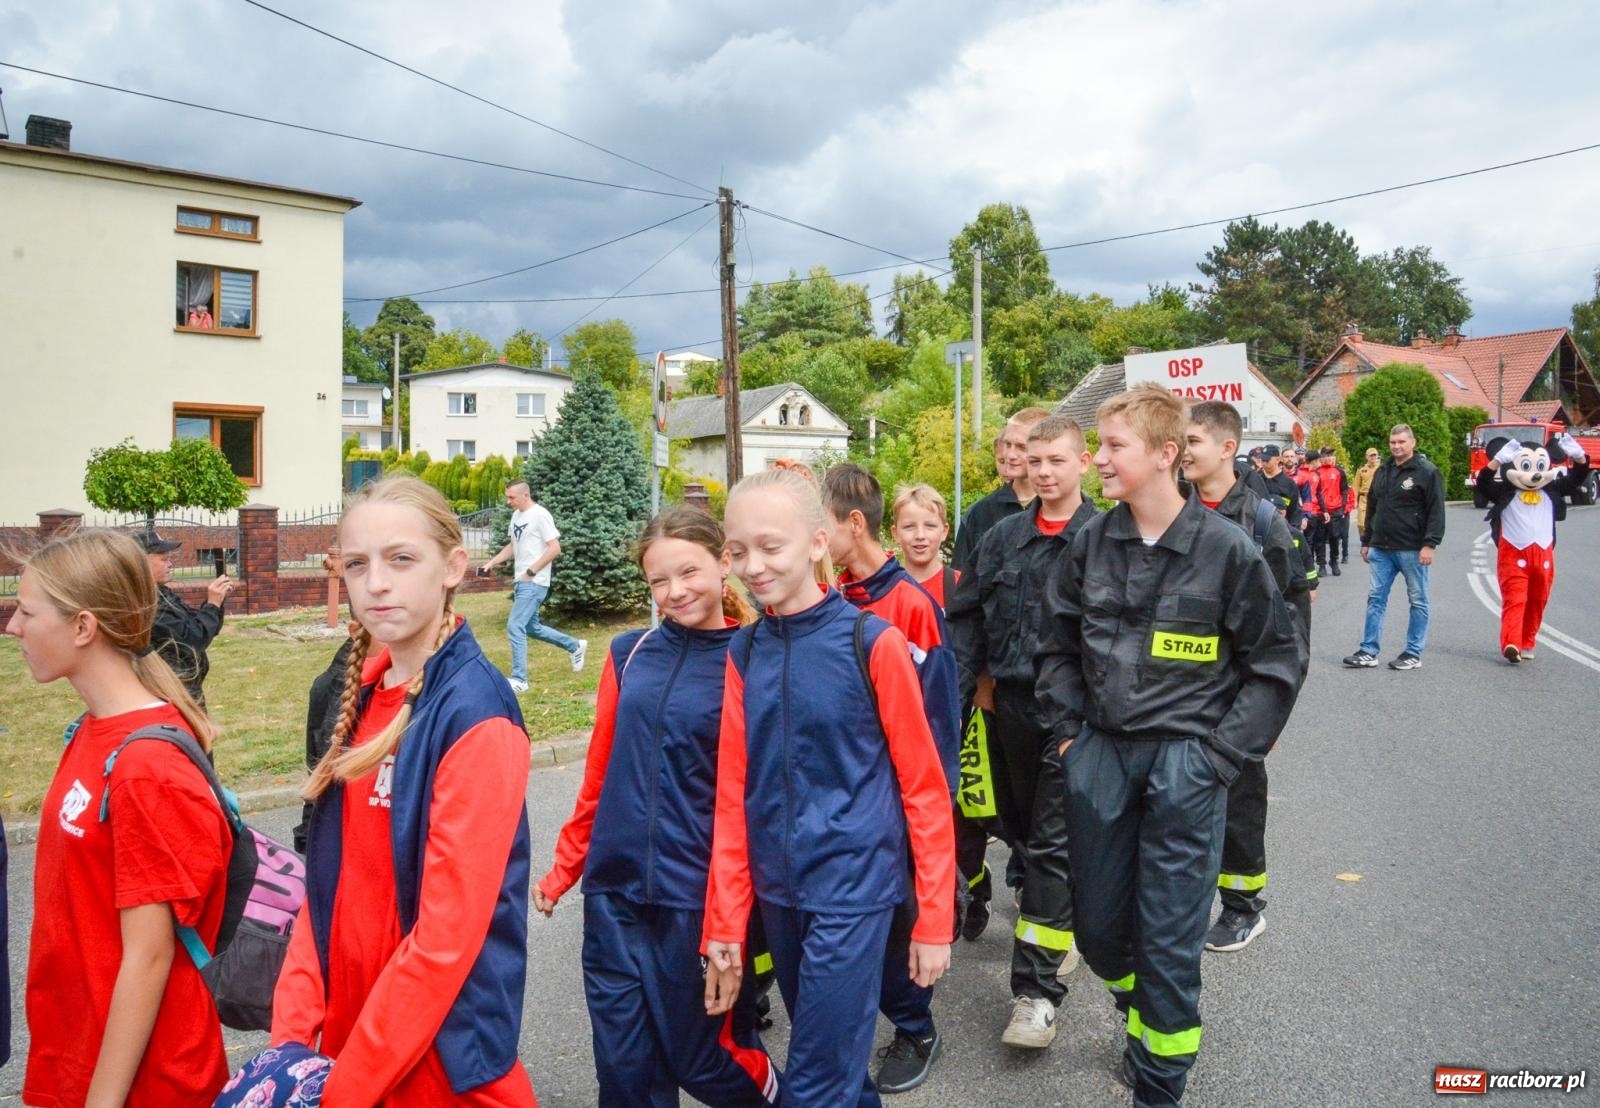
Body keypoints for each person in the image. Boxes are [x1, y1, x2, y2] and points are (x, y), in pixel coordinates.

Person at [1035, 384, 1301, 1106]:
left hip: (1185, 771)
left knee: (1169, 946)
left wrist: (1215, 760)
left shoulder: (1227, 551)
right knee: (1098, 935)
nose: (1099, 459)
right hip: (1101, 765)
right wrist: (1070, 741)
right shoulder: (1092, 542)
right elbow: (1054, 648)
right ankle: (1138, 1015)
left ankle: (1159, 1083)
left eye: (1113, 445)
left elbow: (1275, 666)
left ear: (1163, 455)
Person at [272, 474, 538, 1104]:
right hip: (346, 1044)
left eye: (401, 559)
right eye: (358, 564)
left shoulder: (475, 713)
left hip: (435, 1063)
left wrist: (351, 1084)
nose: (376, 583)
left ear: (453, 567)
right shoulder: (355, 695)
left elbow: (446, 939)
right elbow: (325, 885)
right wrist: (291, 1035)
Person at [703, 466, 955, 1108]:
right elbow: (734, 795)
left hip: (855, 892)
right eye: (737, 551)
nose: (752, 566)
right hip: (781, 896)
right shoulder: (745, 650)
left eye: (770, 546)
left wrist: (933, 917)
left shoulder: (873, 641)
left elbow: (925, 789)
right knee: (840, 1074)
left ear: (819, 542)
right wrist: (727, 921)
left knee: (812, 1084)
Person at [536, 507, 777, 1106]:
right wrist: (567, 868)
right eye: (658, 582)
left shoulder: (756, 658)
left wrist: (727, 923)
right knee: (626, 1070)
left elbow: (750, 806)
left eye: (688, 572)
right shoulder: (628, 653)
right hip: (613, 898)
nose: (674, 593)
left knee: (705, 1061)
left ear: (724, 564)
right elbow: (599, 775)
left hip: (693, 901)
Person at [8, 528, 232, 1105]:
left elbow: (150, 956)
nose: (13, 627)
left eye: (27, 612)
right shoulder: (92, 730)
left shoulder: (145, 766)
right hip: (82, 1052)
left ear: (83, 627)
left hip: (142, 1082)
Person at [948, 414, 1097, 1051]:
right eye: (1035, 462)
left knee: (1054, 848)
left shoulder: (1107, 538)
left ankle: (1035, 995)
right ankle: (1061, 927)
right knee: (1024, 840)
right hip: (1006, 710)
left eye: (1057, 461)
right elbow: (966, 623)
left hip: (1077, 721)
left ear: (1082, 464)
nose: (1044, 472)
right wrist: (953, 706)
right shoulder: (1004, 536)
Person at [823, 464, 962, 1094]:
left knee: (899, 923)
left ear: (854, 524)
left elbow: (938, 719)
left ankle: (915, 1026)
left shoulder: (909, 604)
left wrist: (929, 813)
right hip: (839, 799)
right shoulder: (828, 596)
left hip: (898, 804)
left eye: (817, 527)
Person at [1181, 402, 1311, 955]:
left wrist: (1274, 709)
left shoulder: (1262, 521)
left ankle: (1242, 908)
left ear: (1226, 448)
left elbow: (1292, 623)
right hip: (1181, 689)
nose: (1183, 451)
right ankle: (1183, 903)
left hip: (1241, 694)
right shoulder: (1169, 510)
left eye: (1193, 441)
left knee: (1240, 802)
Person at [1343, 424, 1446, 671]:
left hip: (1412, 549)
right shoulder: (1383, 471)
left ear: (1412, 442)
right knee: (1375, 599)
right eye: (1393, 442)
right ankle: (1368, 651)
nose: (1396, 446)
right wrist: (1367, 541)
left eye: (1401, 442)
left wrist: (1429, 544)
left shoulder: (1427, 472)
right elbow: (1373, 508)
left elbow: (1436, 511)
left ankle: (1413, 652)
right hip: (1381, 548)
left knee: (1418, 601)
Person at [480, 478, 587, 691]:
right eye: (507, 497)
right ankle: (574, 645)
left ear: (525, 495)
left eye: (512, 497)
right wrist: (492, 562)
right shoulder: (516, 516)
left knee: (515, 625)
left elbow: (555, 548)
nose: (508, 501)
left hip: (534, 581)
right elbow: (513, 545)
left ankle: (520, 680)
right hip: (522, 581)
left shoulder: (540, 515)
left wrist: (532, 570)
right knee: (532, 627)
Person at [950, 408, 1051, 574]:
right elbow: (961, 583)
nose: (1010, 455)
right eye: (1008, 444)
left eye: (1021, 447)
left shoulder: (1065, 512)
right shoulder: (980, 514)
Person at [139, 530, 231, 708]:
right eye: (164, 560)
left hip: (186, 690)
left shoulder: (162, 593)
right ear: (140, 564)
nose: (171, 564)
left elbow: (200, 626)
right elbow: (193, 639)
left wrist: (216, 602)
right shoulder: (146, 605)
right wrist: (212, 604)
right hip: (170, 696)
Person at [891, 483, 956, 608]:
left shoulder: (961, 586)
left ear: (944, 531)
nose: (920, 535)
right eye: (909, 527)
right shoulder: (884, 589)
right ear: (895, 533)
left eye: (930, 526)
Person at [1313, 447, 1351, 577]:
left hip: (1335, 510)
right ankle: (1321, 564)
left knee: (1335, 537)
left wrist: (1343, 507)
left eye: (1331, 455)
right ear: (1321, 457)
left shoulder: (1339, 471)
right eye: (1325, 455)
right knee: (1320, 538)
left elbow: (1344, 490)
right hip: (1320, 511)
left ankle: (1334, 561)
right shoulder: (1317, 472)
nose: (1328, 458)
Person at [1353, 447, 1381, 531]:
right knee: (1361, 524)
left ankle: (1372, 541)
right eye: (1371, 455)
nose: (1373, 457)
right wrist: (1354, 500)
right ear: (1367, 457)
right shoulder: (1361, 470)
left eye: (1374, 455)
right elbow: (1356, 486)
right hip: (1364, 498)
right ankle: (1364, 540)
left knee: (1376, 523)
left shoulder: (1381, 469)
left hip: (1377, 498)